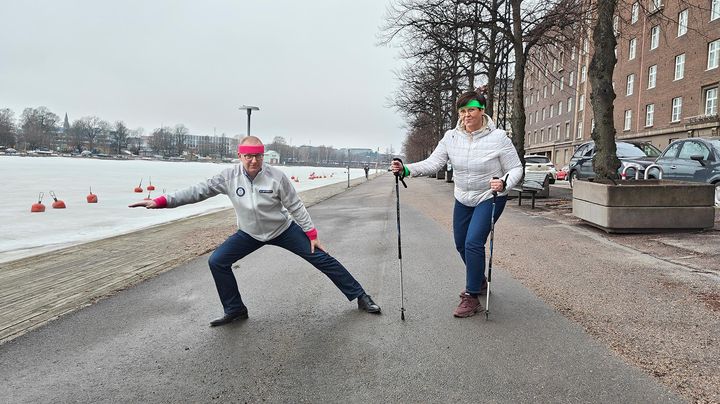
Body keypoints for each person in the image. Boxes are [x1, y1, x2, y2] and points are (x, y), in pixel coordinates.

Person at [129, 136, 381, 326]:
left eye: (258, 156)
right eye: (248, 156)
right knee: (217, 261)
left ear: (263, 157)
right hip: (249, 233)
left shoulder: (276, 177)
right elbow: (197, 191)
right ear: (239, 156)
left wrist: (312, 234)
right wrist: (161, 202)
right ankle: (235, 309)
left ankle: (360, 296)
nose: (253, 160)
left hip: (282, 229)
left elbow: (295, 206)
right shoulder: (228, 177)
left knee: (321, 258)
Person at [391, 90, 523, 318]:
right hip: (463, 197)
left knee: (473, 243)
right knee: (461, 244)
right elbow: (434, 162)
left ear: (482, 110)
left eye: (471, 109)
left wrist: (504, 182)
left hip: (489, 197)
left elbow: (516, 168)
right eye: (462, 111)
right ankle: (479, 280)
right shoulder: (451, 137)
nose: (466, 115)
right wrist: (406, 169)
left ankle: (471, 297)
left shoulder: (499, 137)